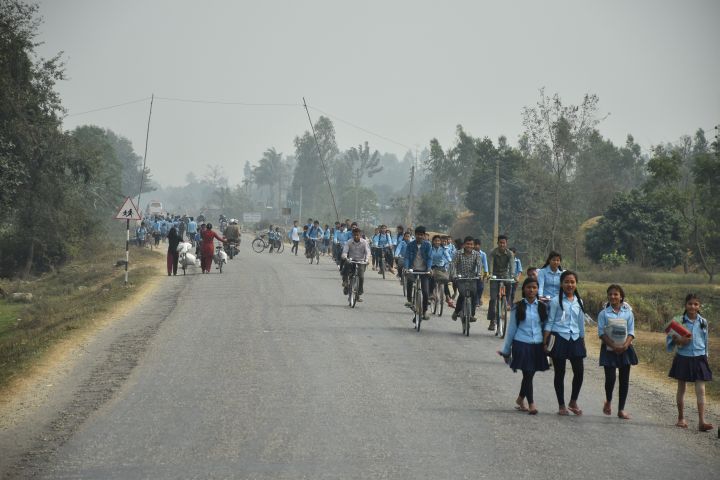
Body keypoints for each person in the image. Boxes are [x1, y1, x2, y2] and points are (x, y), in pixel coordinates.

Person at [498, 277, 549, 415]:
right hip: (521, 343)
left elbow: (545, 327)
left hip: (537, 344)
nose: (531, 290)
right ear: (524, 290)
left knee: (530, 374)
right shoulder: (518, 306)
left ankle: (520, 398)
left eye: (534, 287)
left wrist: (546, 344)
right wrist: (506, 350)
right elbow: (511, 329)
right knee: (527, 372)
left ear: (538, 289)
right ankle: (531, 403)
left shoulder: (542, 307)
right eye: (528, 287)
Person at [667, 293, 713, 431]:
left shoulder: (703, 322)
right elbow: (671, 340)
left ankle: (701, 421)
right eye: (690, 304)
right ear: (685, 305)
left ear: (699, 306)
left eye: (696, 304)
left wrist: (706, 355)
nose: (693, 306)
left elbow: (706, 340)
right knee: (682, 388)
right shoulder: (678, 321)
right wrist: (680, 341)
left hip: (700, 357)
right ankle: (681, 418)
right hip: (683, 357)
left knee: (701, 389)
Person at [543, 270, 586, 416]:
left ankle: (573, 401)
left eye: (572, 282)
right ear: (561, 284)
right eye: (566, 282)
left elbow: (580, 323)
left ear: (576, 284)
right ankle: (561, 405)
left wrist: (582, 339)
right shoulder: (555, 301)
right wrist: (545, 341)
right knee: (559, 373)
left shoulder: (579, 302)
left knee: (579, 372)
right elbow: (549, 321)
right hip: (559, 338)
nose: (569, 285)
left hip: (575, 338)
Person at [598, 284, 638, 420]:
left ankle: (621, 409)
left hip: (625, 349)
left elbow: (631, 331)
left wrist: (625, 345)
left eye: (616, 294)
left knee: (624, 379)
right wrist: (613, 345)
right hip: (609, 349)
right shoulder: (603, 313)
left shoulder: (628, 313)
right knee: (610, 378)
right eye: (610, 294)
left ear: (621, 297)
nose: (613, 297)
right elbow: (601, 333)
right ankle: (608, 401)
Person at [404, 226, 432, 322]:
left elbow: (429, 258)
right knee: (410, 280)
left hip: (424, 271)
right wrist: (407, 268)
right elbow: (407, 257)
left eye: (421, 235)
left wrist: (429, 268)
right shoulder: (410, 245)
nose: (419, 236)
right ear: (415, 235)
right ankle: (410, 300)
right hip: (413, 269)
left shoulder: (428, 245)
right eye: (418, 234)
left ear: (424, 236)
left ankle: (424, 311)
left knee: (425, 292)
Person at [451, 236, 482, 321]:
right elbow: (453, 265)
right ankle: (457, 311)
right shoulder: (457, 253)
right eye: (468, 244)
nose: (469, 246)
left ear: (473, 245)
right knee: (462, 294)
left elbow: (479, 265)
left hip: (472, 278)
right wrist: (454, 275)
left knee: (474, 294)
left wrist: (479, 274)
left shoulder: (477, 254)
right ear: (464, 244)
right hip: (460, 278)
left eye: (471, 244)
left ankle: (471, 315)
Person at [487, 235, 515, 330]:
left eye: (504, 243)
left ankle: (506, 300)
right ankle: (492, 321)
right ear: (498, 243)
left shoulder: (510, 253)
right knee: (493, 299)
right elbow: (490, 263)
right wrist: (490, 273)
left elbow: (512, 265)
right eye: (500, 243)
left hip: (505, 274)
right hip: (494, 274)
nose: (502, 244)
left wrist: (512, 275)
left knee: (510, 284)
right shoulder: (493, 252)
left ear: (506, 244)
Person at [341, 228, 371, 301]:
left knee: (361, 276)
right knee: (346, 264)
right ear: (352, 235)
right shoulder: (349, 242)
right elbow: (345, 251)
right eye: (354, 235)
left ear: (360, 235)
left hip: (361, 262)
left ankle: (359, 292)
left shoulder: (364, 242)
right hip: (351, 261)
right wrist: (345, 257)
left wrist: (367, 260)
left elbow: (368, 252)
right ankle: (345, 282)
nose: (356, 237)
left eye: (357, 235)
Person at [429, 235, 452, 305]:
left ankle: (448, 297)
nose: (437, 242)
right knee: (431, 278)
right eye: (435, 241)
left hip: (441, 267)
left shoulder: (443, 249)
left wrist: (450, 261)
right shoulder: (430, 249)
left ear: (440, 242)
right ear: (433, 242)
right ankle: (431, 294)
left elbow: (447, 256)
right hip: (432, 267)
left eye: (438, 241)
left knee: (444, 280)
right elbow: (428, 258)